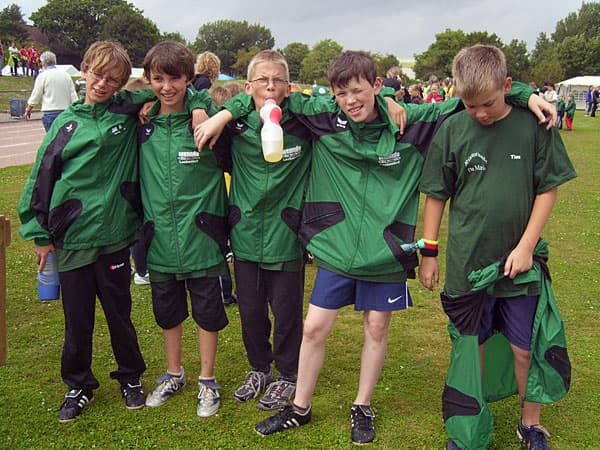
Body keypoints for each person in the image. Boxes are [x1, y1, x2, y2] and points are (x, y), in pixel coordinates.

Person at [207, 50, 556, 446]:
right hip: (338, 250)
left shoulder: (412, 122)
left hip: (387, 250)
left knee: (376, 327)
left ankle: (362, 405)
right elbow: (270, 95)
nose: (350, 101)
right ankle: (299, 407)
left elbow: (472, 95)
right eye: (341, 94)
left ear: (376, 86)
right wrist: (222, 114)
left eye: (357, 91)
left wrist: (526, 95)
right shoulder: (324, 114)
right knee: (315, 327)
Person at [418, 44, 576, 450]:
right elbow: (436, 194)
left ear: (508, 85)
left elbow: (548, 189)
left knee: (527, 349)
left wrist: (525, 247)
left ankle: (531, 424)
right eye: (470, 105)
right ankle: (472, 428)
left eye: (487, 103)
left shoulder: (534, 124)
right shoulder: (453, 128)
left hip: (521, 267)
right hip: (468, 265)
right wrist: (429, 253)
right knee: (474, 350)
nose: (480, 113)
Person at [17, 40, 161, 423]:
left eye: (113, 79)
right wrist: (40, 233)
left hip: (113, 237)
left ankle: (130, 377)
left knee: (120, 314)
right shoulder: (66, 125)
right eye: (98, 74)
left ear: (119, 84)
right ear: (83, 70)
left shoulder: (126, 111)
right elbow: (40, 179)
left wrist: (145, 101)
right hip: (73, 239)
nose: (102, 83)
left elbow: (168, 89)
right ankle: (78, 385)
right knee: (77, 319)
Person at [196, 50, 316, 412]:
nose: (270, 86)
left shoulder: (303, 123)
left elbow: (336, 103)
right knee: (249, 310)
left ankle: (288, 374)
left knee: (286, 311)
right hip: (246, 232)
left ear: (289, 86)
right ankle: (259, 367)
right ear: (248, 86)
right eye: (262, 79)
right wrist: (222, 114)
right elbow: (198, 95)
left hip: (285, 234)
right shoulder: (236, 126)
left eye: (277, 79)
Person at [138, 41, 229, 418]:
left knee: (207, 312)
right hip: (159, 239)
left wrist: (200, 105)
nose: (166, 87)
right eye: (157, 79)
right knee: (167, 312)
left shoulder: (207, 122)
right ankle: (174, 372)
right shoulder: (141, 123)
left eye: (175, 78)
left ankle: (207, 380)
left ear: (190, 78)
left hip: (201, 238)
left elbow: (241, 106)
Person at [25, 51, 79, 131]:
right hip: (65, 112)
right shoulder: (66, 76)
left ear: (43, 63)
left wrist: (29, 108)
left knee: (52, 139)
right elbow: (73, 95)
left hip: (50, 112)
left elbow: (36, 94)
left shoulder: (43, 76)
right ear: (55, 61)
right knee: (64, 138)